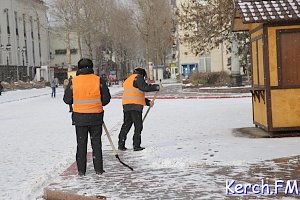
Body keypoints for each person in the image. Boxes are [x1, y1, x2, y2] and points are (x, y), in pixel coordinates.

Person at [63, 58, 111, 176]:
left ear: (79, 68)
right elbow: (106, 99)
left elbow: (67, 99)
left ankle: (81, 171)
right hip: (96, 117)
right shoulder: (98, 80)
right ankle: (98, 169)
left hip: (80, 118)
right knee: (96, 144)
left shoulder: (74, 82)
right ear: (91, 67)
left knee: (81, 144)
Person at [118, 68, 160, 151]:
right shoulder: (138, 77)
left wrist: (148, 103)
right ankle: (136, 145)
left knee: (126, 125)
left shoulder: (128, 79)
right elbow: (144, 87)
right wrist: (156, 87)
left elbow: (135, 93)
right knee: (138, 126)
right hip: (135, 106)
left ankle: (121, 144)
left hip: (127, 105)